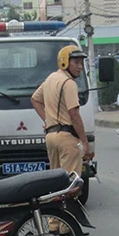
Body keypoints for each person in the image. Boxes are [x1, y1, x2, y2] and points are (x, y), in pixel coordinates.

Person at [30, 45, 93, 180]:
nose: (80, 67)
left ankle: (56, 201)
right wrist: (85, 142)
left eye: (81, 62)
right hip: (66, 138)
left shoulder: (51, 78)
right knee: (71, 181)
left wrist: (48, 120)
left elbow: (35, 99)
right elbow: (74, 115)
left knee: (56, 181)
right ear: (65, 62)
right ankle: (69, 202)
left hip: (51, 137)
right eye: (76, 62)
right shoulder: (69, 83)